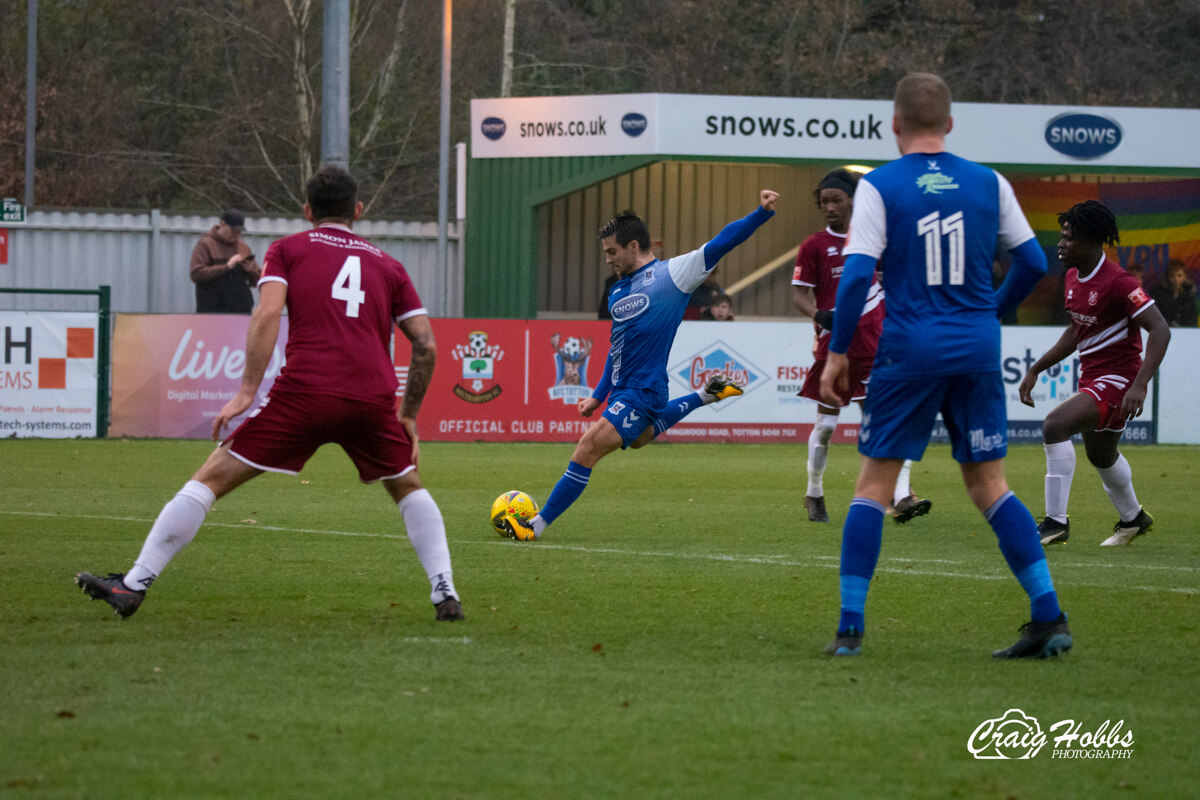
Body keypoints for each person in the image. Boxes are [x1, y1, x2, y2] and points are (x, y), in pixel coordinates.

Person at [76, 166, 464, 622]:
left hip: (306, 392)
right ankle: (446, 594)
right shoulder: (388, 265)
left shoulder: (288, 249)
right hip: (370, 398)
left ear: (306, 210)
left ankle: (134, 584)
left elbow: (267, 313)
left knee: (211, 478)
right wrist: (409, 415)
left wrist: (245, 391)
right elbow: (426, 343)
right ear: (358, 211)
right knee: (407, 487)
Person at [819, 73, 1068, 659]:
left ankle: (851, 628)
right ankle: (1049, 616)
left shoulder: (880, 186)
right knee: (990, 485)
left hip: (910, 348)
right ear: (951, 124)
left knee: (874, 486)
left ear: (895, 125)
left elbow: (857, 275)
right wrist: (992, 312)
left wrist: (836, 351)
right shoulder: (989, 182)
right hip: (977, 348)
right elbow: (1033, 262)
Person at [495, 190, 779, 540]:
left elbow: (721, 242)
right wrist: (598, 397)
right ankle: (706, 395)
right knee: (643, 437)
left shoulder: (674, 273)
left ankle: (533, 528)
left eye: (612, 252)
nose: (607, 260)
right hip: (635, 389)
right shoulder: (617, 291)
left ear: (633, 246)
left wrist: (761, 213)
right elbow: (617, 351)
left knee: (587, 448)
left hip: (642, 391)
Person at [1019, 201, 1171, 547]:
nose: (1061, 244)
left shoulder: (1119, 282)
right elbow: (1077, 332)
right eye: (1061, 236)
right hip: (1093, 378)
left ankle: (1055, 523)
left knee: (1055, 425)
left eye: (1068, 238)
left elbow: (1160, 329)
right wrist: (1038, 367)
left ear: (1091, 242)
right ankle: (1133, 518)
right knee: (1101, 454)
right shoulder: (1073, 276)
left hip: (1119, 381)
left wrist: (1140, 385)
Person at [791, 167, 931, 526]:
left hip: (874, 346)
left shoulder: (874, 240)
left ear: (852, 201)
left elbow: (892, 283)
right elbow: (798, 295)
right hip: (833, 348)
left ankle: (900, 496)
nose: (830, 207)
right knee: (825, 427)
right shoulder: (814, 245)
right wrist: (820, 315)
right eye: (824, 202)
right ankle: (814, 491)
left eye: (836, 200)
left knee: (882, 420)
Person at [190, 208, 261, 313]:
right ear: (222, 224)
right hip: (212, 312)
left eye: (239, 231)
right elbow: (196, 274)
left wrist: (251, 270)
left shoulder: (243, 248)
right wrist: (226, 267)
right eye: (233, 231)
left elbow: (257, 281)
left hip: (241, 312)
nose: (236, 235)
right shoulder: (206, 245)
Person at [1152, 259, 1197, 327]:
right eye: (1172, 276)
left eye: (1179, 275)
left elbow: (1193, 319)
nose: (1176, 279)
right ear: (1167, 277)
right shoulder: (1159, 295)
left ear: (1184, 277)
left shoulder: (1188, 296)